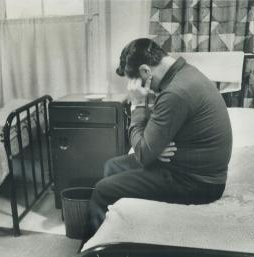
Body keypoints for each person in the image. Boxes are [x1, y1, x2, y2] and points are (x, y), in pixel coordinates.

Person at [87, 38, 232, 237]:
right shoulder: (184, 74)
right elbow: (153, 135)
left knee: (102, 191)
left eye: (140, 81)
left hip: (197, 182)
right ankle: (115, 235)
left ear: (146, 71)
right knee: (112, 166)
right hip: (188, 165)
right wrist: (154, 146)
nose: (148, 90)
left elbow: (143, 154)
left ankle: (96, 248)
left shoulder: (175, 92)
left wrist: (137, 104)